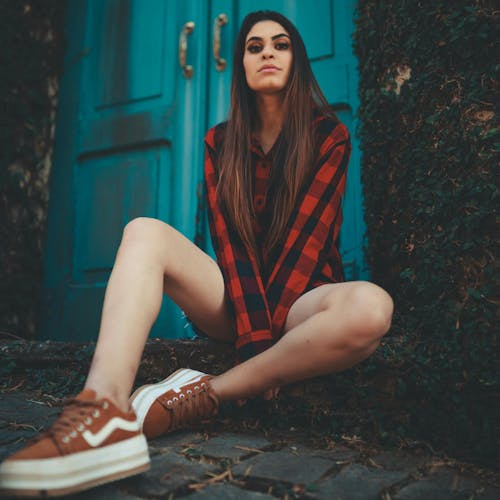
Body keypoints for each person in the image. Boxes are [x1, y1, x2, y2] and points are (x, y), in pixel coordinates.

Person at [0, 10, 393, 497]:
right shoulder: (218, 141)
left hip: (302, 299)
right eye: (254, 46)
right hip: (236, 300)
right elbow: (231, 248)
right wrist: (255, 338)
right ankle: (100, 411)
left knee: (371, 308)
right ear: (242, 64)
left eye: (280, 44)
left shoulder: (329, 135)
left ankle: (208, 392)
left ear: (298, 61)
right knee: (144, 230)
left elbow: (304, 246)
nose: (267, 52)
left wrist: (262, 344)